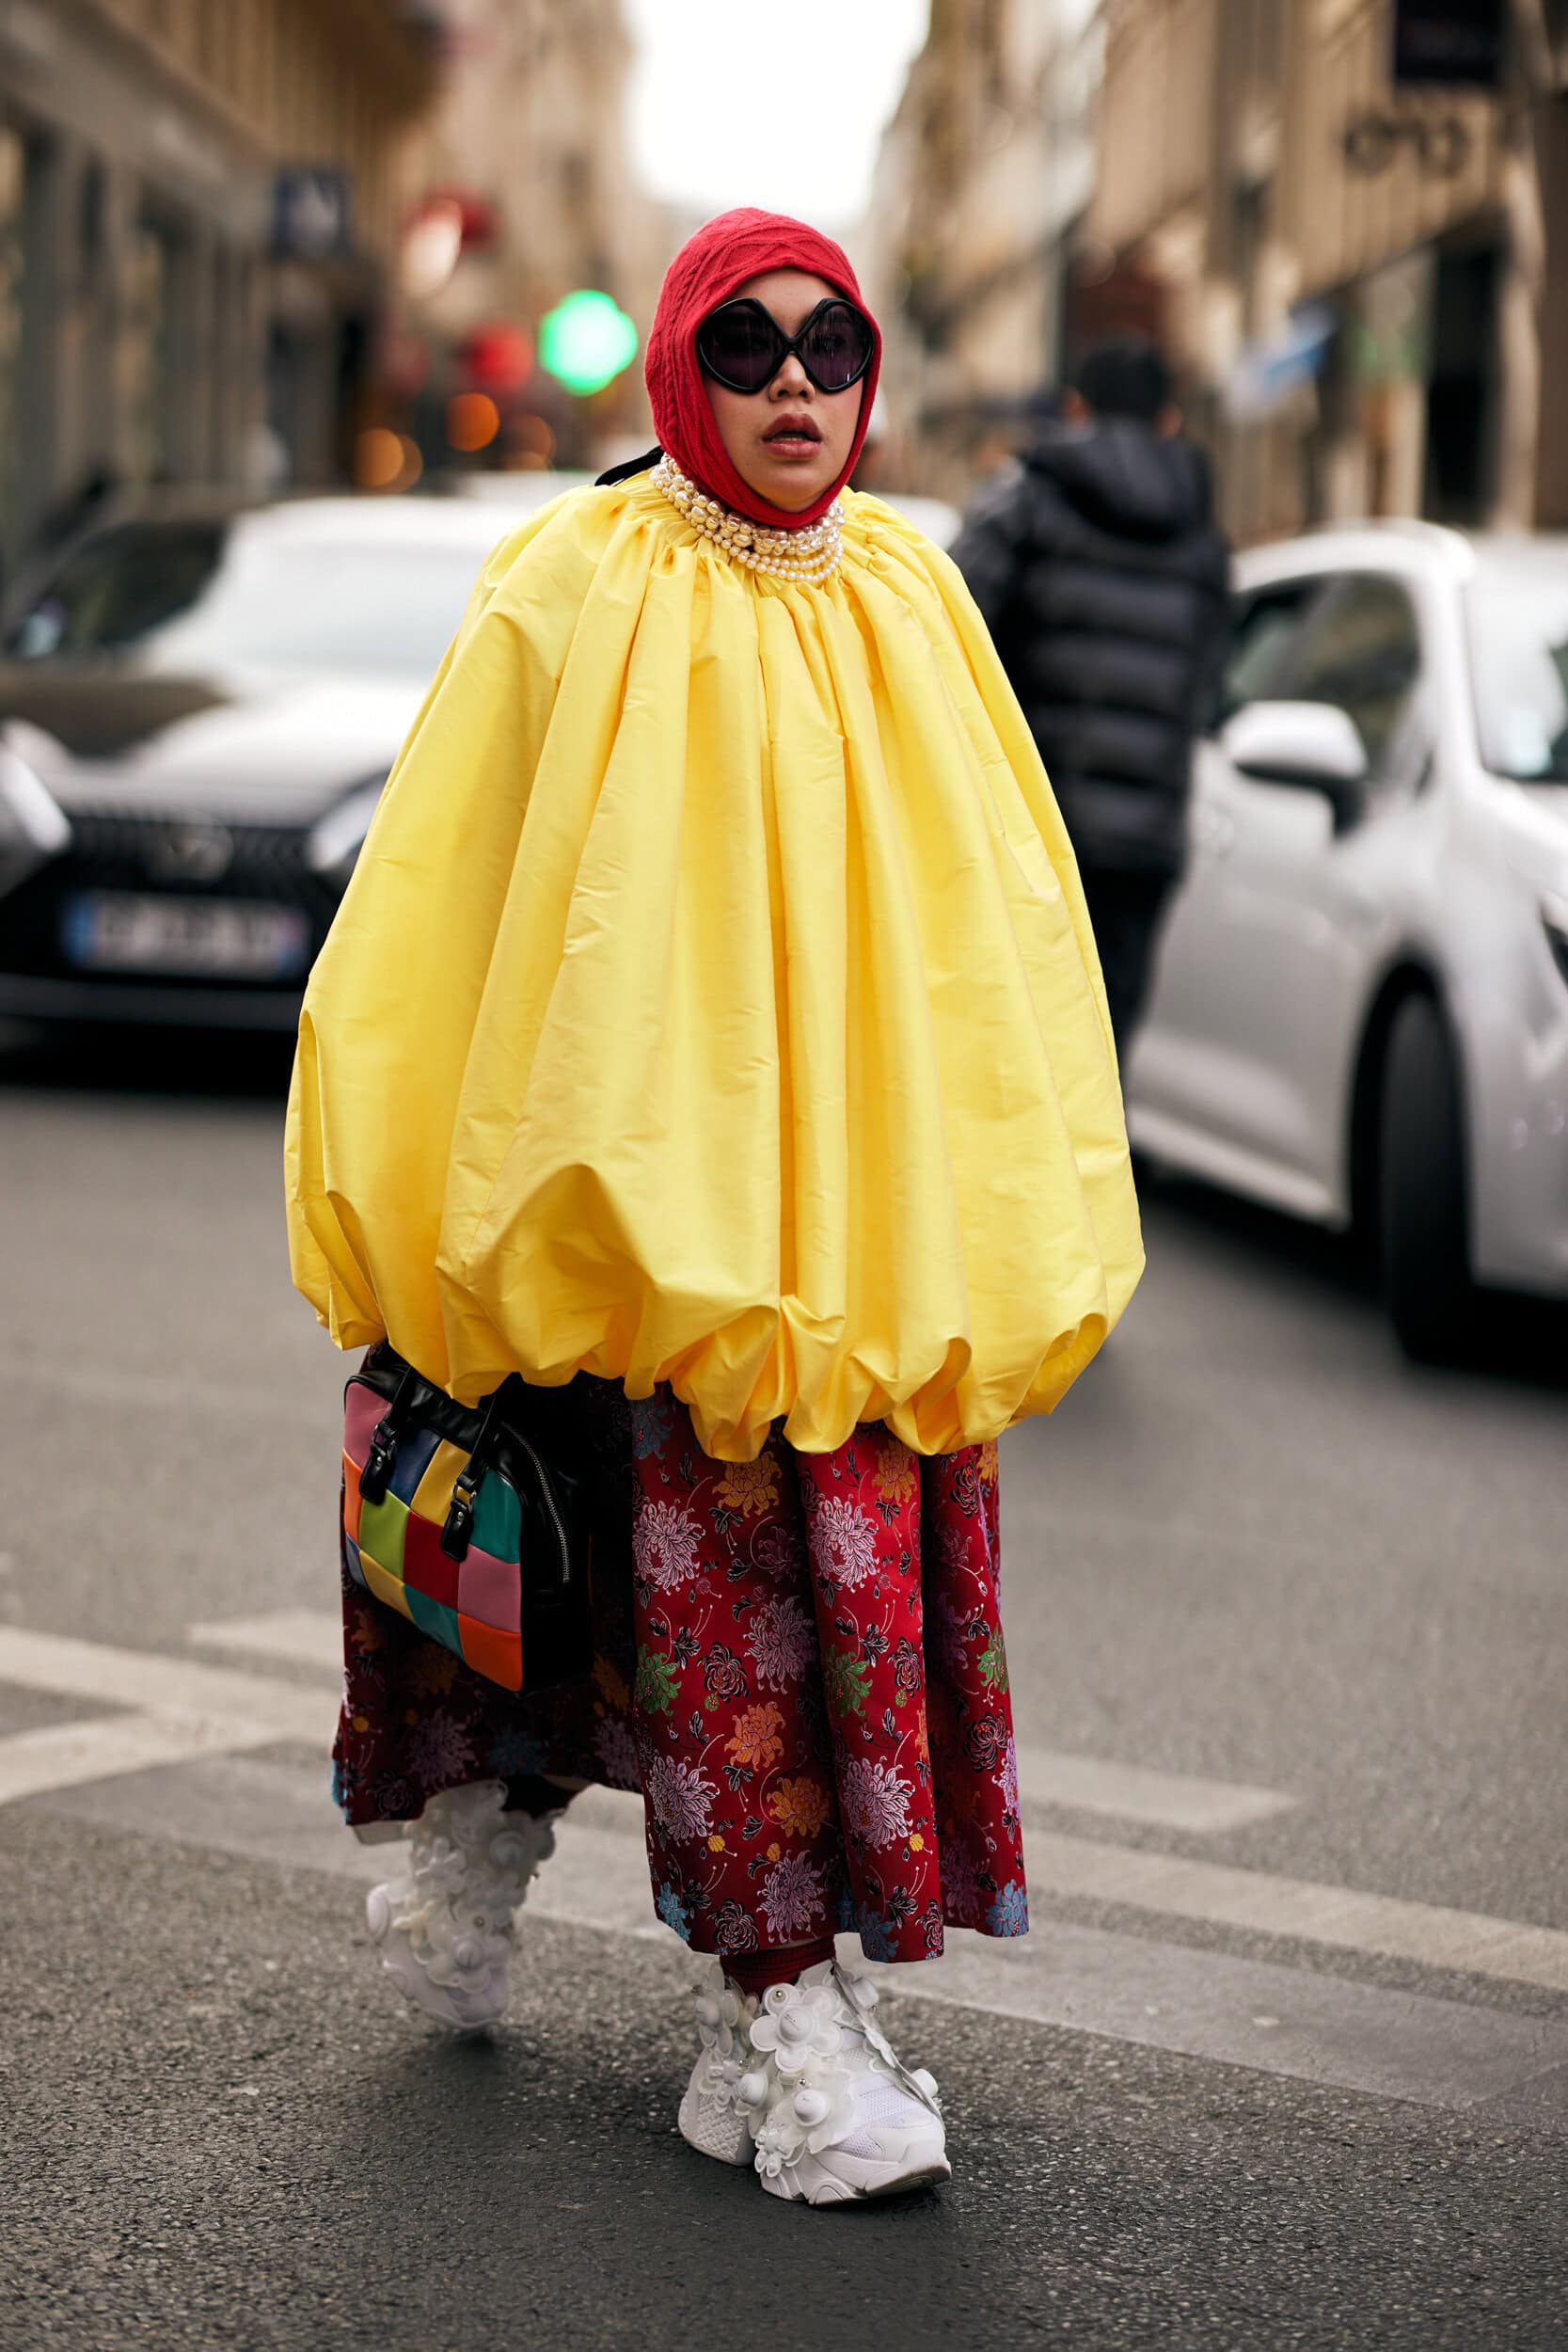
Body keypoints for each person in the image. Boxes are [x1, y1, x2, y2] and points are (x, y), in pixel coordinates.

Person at [285, 210, 1141, 2206]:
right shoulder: (571, 581)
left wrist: (979, 1204)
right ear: (680, 364)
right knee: (595, 1585)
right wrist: (425, 1190)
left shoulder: (912, 595)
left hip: (825, 1235)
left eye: (826, 343)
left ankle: (759, 2006)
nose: (787, 384)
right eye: (742, 344)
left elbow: (991, 929)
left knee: (742, 1612)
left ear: (870, 370)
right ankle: (730, 1990)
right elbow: (437, 893)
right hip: (608, 1211)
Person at [950, 338, 1231, 1054]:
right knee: (1100, 1054)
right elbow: (1206, 679)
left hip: (1030, 829)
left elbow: (946, 631)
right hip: (1144, 840)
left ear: (1074, 409)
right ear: (1169, 420)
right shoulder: (1202, 535)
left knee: (1007, 1051)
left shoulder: (1025, 498)